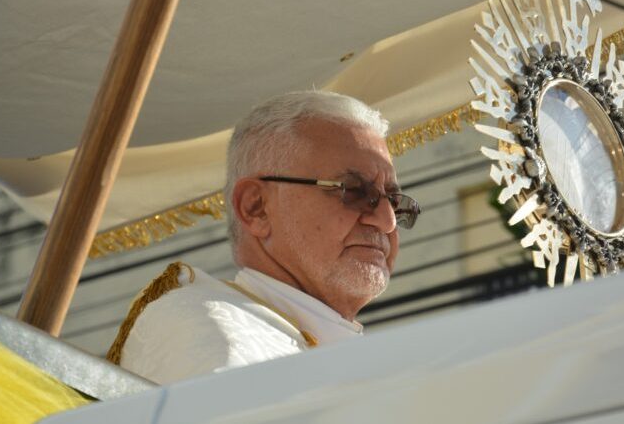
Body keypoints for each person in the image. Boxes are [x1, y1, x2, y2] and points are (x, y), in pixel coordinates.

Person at [107, 91, 421, 384]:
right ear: (256, 208)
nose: (387, 221)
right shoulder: (207, 327)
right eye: (354, 191)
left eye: (393, 200)